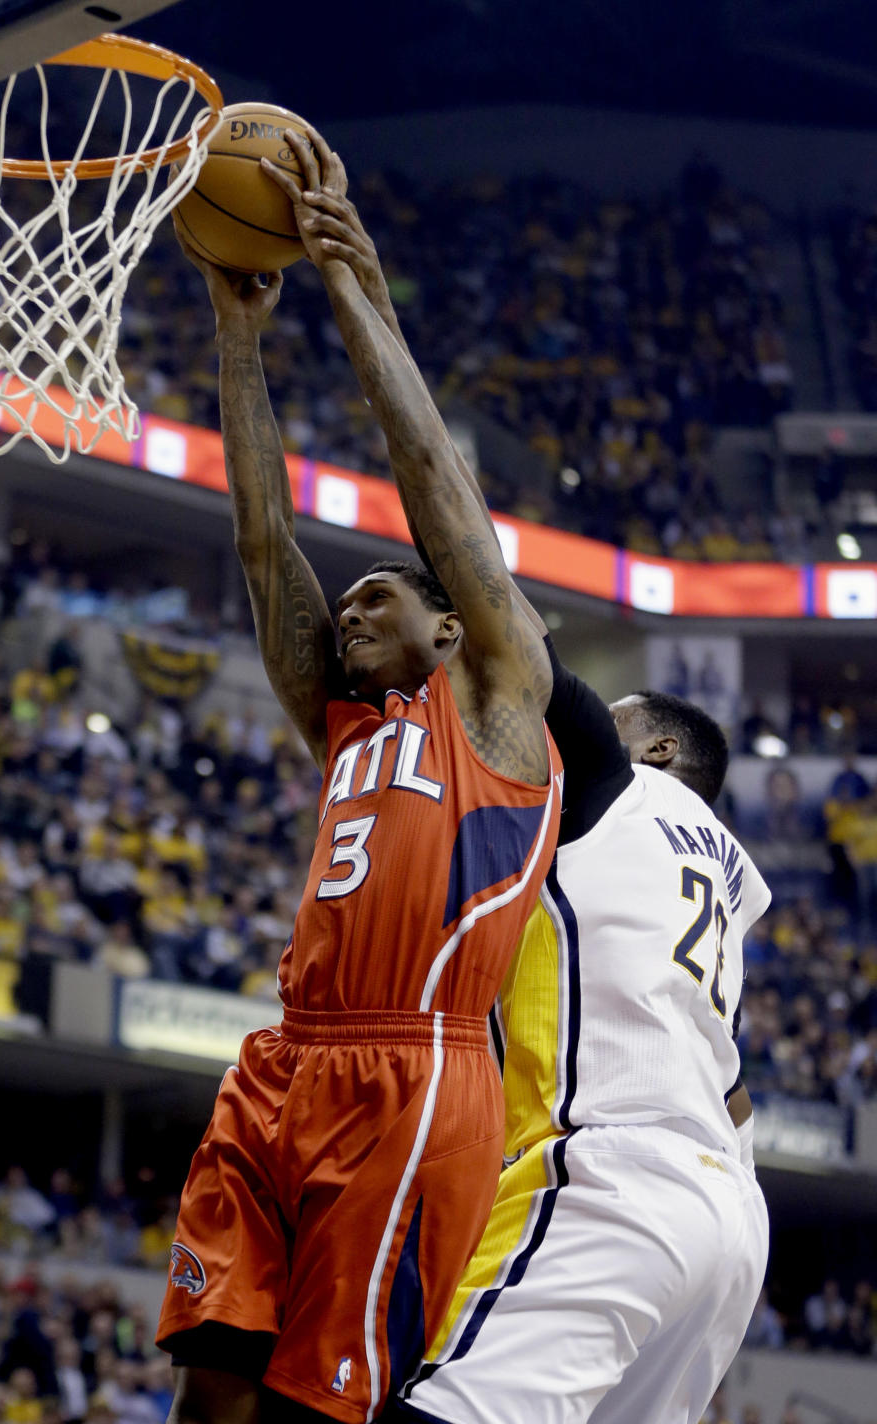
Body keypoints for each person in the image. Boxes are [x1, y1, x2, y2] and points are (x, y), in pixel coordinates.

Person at [284, 143, 770, 1424]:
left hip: (604, 1175)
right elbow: (735, 1089)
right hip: (731, 1222)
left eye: (604, 722)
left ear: (654, 752)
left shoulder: (615, 784)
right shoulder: (720, 883)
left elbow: (459, 532)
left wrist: (362, 298)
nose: (564, 734)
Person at [158, 136, 561, 1424]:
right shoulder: (342, 721)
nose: (353, 602)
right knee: (207, 1379)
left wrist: (350, 286)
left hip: (415, 1073)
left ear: (455, 624)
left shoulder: (498, 700)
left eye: (381, 589)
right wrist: (238, 342)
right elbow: (263, 537)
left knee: (313, 1412)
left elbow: (439, 491)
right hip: (284, 1059)